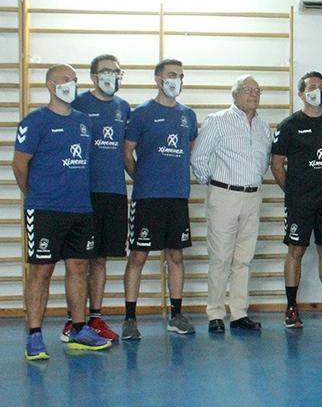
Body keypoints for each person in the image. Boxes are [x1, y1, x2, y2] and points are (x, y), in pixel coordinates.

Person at [14, 64, 111, 359]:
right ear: (51, 86)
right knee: (41, 271)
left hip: (80, 208)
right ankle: (34, 336)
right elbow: (20, 164)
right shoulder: (35, 121)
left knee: (79, 268)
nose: (71, 85)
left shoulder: (84, 122)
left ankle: (79, 329)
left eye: (74, 80)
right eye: (65, 80)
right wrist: (35, 196)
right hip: (45, 209)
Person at [123, 59, 198, 339]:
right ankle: (130, 318)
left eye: (179, 75)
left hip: (177, 197)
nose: (175, 80)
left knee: (176, 256)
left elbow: (189, 149)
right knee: (138, 256)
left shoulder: (187, 115)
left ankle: (176, 315)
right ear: (157, 79)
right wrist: (142, 177)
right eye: (170, 75)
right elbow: (126, 151)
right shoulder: (142, 113)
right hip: (147, 198)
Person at [191, 75, 272, 333]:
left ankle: (239, 313)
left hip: (252, 195)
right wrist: (215, 185)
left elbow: (265, 160)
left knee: (244, 259)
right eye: (247, 90)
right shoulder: (218, 122)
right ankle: (215, 313)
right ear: (234, 95)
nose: (253, 94)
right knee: (220, 258)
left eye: (257, 90)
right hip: (224, 194)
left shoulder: (263, 127)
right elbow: (199, 158)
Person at [272, 71, 322, 327]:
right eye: (311, 87)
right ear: (301, 94)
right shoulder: (289, 125)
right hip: (299, 202)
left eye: (320, 85)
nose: (317, 90)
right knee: (296, 250)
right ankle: (292, 308)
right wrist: (293, 193)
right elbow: (276, 165)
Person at [66, 54, 130, 343]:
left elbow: (127, 150)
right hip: (83, 193)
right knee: (79, 260)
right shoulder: (78, 104)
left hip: (114, 191)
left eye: (116, 71)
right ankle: (73, 322)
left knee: (101, 258)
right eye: (105, 71)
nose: (111, 76)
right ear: (93, 76)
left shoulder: (123, 107)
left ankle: (95, 318)